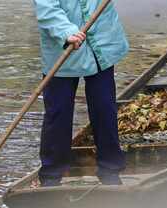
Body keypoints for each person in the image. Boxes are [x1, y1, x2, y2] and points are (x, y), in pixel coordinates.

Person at [33, 0, 129, 187]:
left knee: (104, 107)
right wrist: (67, 32)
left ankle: (110, 170)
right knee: (58, 113)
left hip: (102, 42)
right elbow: (47, 9)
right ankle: (51, 176)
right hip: (63, 49)